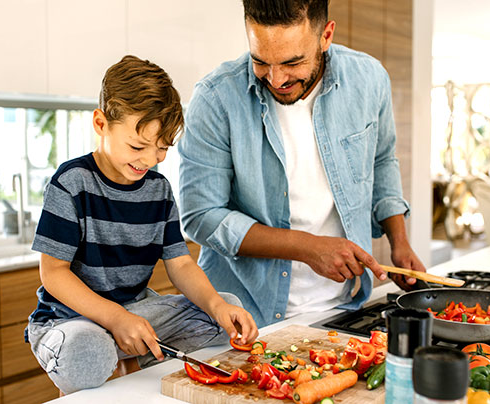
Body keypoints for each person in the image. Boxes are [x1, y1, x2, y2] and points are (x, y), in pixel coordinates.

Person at [177, 0, 426, 327]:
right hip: (241, 318)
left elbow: (381, 161)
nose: (276, 79)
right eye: (260, 61)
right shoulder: (215, 98)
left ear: (326, 36)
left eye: (292, 62)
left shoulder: (369, 79)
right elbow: (200, 217)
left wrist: (399, 240)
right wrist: (307, 248)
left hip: (342, 309)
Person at [25, 55, 258, 395]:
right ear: (101, 123)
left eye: (162, 148)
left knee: (222, 312)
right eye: (137, 146)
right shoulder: (71, 182)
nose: (149, 160)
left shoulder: (158, 189)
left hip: (136, 310)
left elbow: (179, 263)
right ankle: (118, 355)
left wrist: (217, 305)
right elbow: (54, 273)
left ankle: (126, 355)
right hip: (70, 319)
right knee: (87, 351)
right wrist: (115, 319)